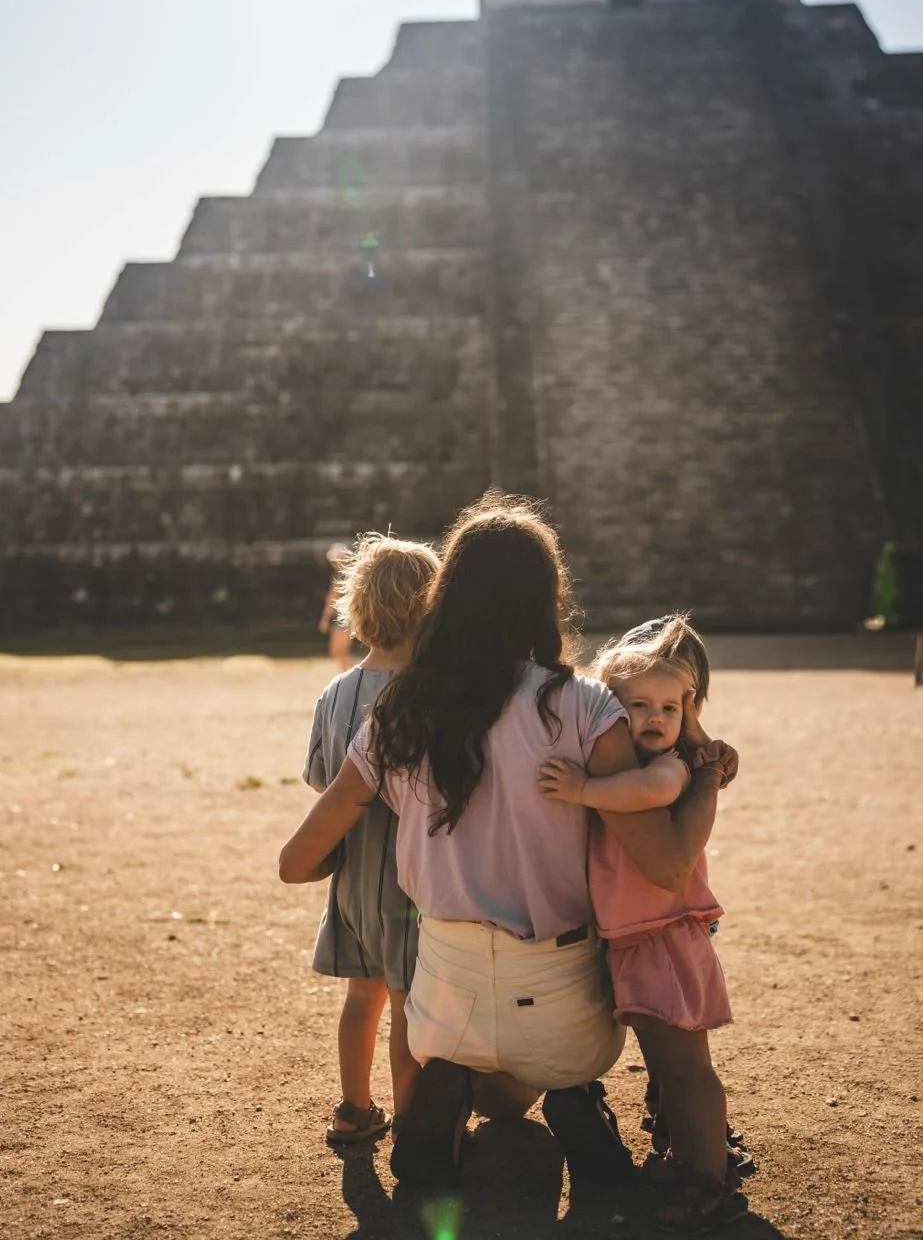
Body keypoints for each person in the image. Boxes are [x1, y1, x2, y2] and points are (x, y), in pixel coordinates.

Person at [280, 493, 728, 1194]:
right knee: (550, 1068)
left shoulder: (397, 710)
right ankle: (577, 1096)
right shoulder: (581, 705)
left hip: (443, 994)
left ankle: (448, 1092)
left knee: (487, 1082)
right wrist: (702, 775)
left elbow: (295, 864)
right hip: (560, 1001)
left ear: (446, 596)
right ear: (544, 598)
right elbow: (664, 864)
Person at [539, 615, 746, 1234]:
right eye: (638, 707)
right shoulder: (625, 768)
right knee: (665, 1064)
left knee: (686, 1068)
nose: (654, 719)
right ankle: (685, 1157)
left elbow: (651, 792)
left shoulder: (671, 770)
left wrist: (580, 790)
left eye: (669, 708)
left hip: (662, 934)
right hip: (637, 935)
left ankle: (710, 1181)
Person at [302, 533, 440, 1146]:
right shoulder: (432, 692)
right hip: (412, 876)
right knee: (410, 1001)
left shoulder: (335, 693)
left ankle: (354, 1107)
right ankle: (414, 1122)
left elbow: (319, 780)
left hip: (353, 872)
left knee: (364, 995)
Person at [318, 543, 355, 671]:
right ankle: (346, 675)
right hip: (347, 617)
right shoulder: (350, 575)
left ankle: (360, 672)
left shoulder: (341, 576)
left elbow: (331, 598)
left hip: (343, 618)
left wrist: (325, 619)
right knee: (341, 653)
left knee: (338, 652)